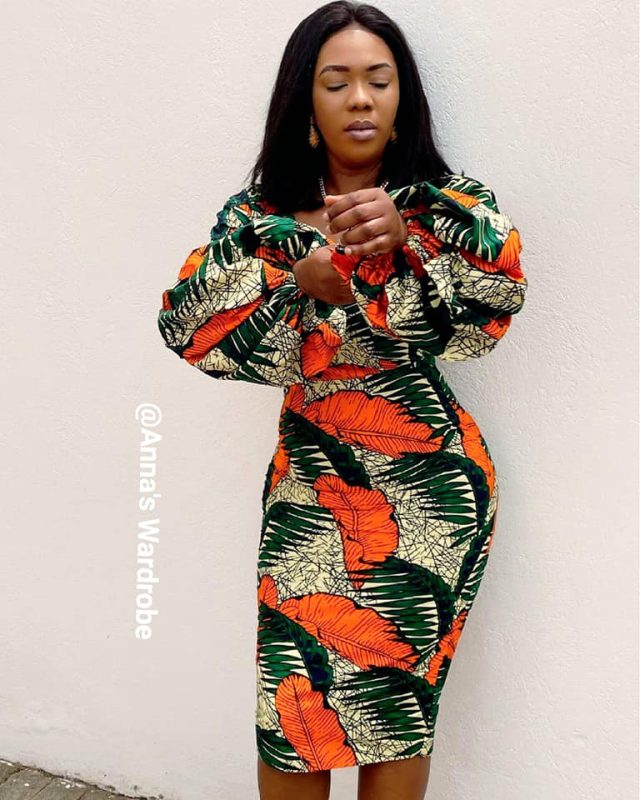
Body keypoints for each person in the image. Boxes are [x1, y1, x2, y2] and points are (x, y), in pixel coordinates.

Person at [156, 2, 528, 798]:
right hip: (310, 489)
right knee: (293, 716)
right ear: (306, 101)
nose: (361, 97)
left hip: (431, 493)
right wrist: (298, 278)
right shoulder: (258, 219)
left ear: (402, 98)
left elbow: (490, 314)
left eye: (379, 80)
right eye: (338, 81)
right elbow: (187, 327)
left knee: (396, 710)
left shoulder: (449, 207)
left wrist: (404, 245)